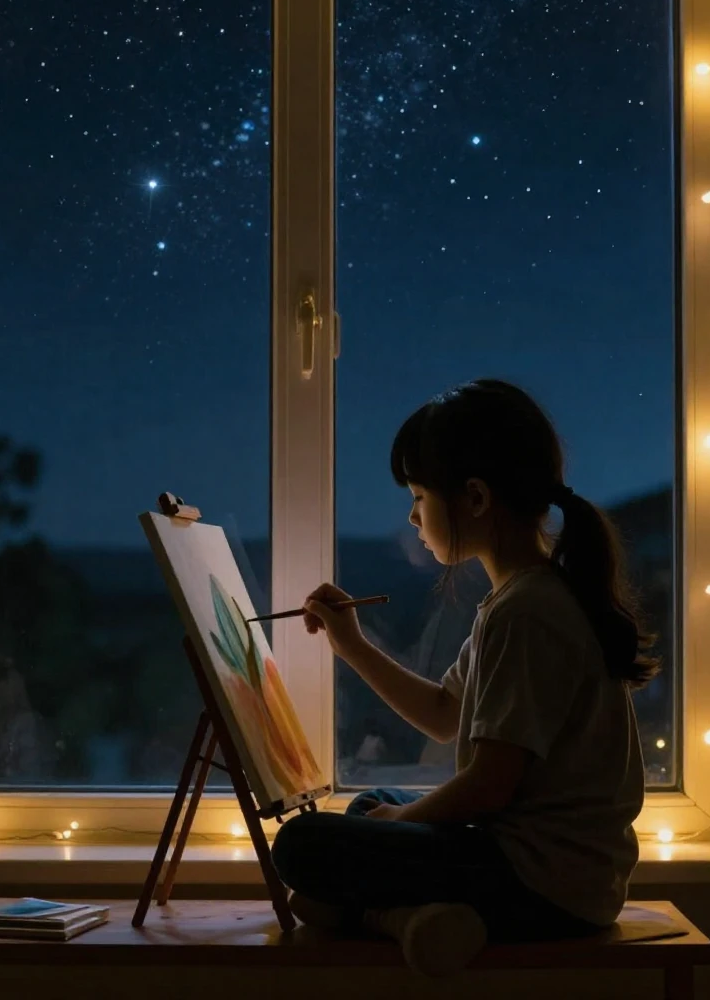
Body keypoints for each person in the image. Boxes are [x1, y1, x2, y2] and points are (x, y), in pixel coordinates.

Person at [270, 379, 658, 977]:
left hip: (545, 885)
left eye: (420, 496)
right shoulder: (519, 599)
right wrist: (352, 647)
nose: (412, 515)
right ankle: (414, 915)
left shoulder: (527, 613)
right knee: (371, 803)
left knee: (303, 845)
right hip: (540, 866)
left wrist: (401, 825)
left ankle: (390, 917)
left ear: (475, 498)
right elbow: (444, 714)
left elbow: (490, 784)